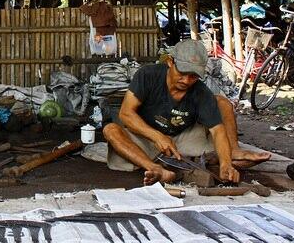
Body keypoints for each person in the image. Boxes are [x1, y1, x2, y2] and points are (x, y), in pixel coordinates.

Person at [103, 40, 253, 185]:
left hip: (183, 139)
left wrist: (226, 165)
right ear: (170, 61)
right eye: (182, 72)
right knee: (110, 130)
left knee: (222, 105)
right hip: (146, 136)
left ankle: (228, 157)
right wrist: (157, 137)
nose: (186, 81)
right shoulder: (147, 75)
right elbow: (125, 114)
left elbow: (218, 131)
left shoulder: (201, 92)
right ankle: (155, 168)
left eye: (193, 76)